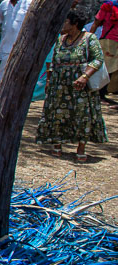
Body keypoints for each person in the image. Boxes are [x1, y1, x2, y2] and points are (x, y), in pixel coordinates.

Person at [36, 11, 108, 162]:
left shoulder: (89, 38)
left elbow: (97, 59)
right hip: (59, 83)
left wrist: (85, 76)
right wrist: (49, 80)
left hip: (80, 85)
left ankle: (81, 148)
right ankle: (57, 144)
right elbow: (53, 60)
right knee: (57, 113)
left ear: (75, 24)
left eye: (65, 22)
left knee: (82, 115)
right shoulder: (60, 40)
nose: (62, 25)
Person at [0, 0, 32, 87]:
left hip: (22, 44)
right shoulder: (4, 4)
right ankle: (0, 90)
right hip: (6, 44)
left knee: (20, 70)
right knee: (2, 69)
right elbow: (1, 20)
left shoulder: (29, 3)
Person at [90, 0, 118, 99]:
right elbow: (96, 23)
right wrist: (88, 39)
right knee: (107, 68)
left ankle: (104, 93)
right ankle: (100, 94)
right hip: (109, 41)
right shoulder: (108, 5)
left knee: (112, 69)